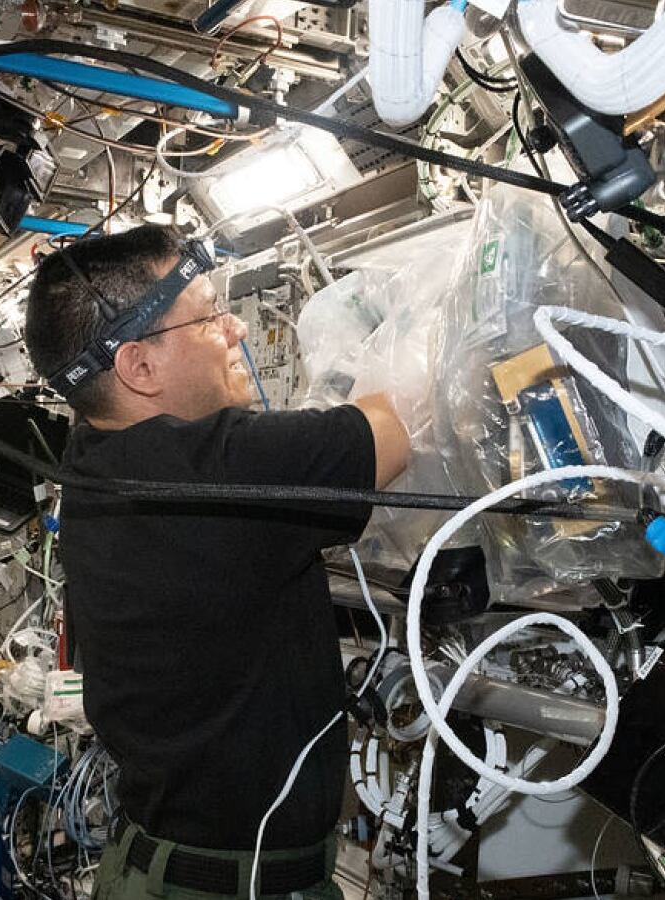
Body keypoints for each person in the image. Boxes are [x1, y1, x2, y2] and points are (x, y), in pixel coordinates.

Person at [25, 224, 409, 900]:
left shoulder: (97, 462)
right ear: (138, 367)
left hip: (163, 868)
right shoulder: (204, 474)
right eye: (208, 314)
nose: (234, 330)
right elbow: (401, 425)